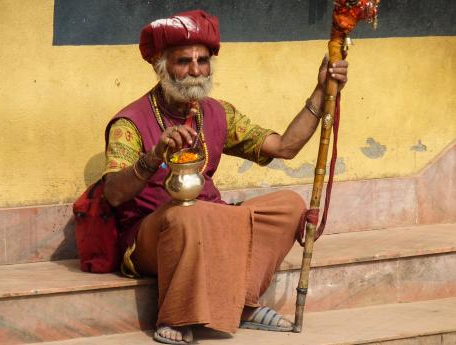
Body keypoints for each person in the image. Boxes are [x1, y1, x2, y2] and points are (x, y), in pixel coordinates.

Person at [103, 10, 348, 345]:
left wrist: (321, 91)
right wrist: (152, 157)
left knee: (288, 206)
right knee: (188, 213)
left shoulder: (218, 112)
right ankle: (176, 315)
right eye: (183, 61)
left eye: (202, 61)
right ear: (160, 65)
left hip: (210, 221)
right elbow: (114, 194)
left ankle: (242, 303)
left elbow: (284, 146)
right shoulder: (129, 122)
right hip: (153, 235)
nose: (194, 70)